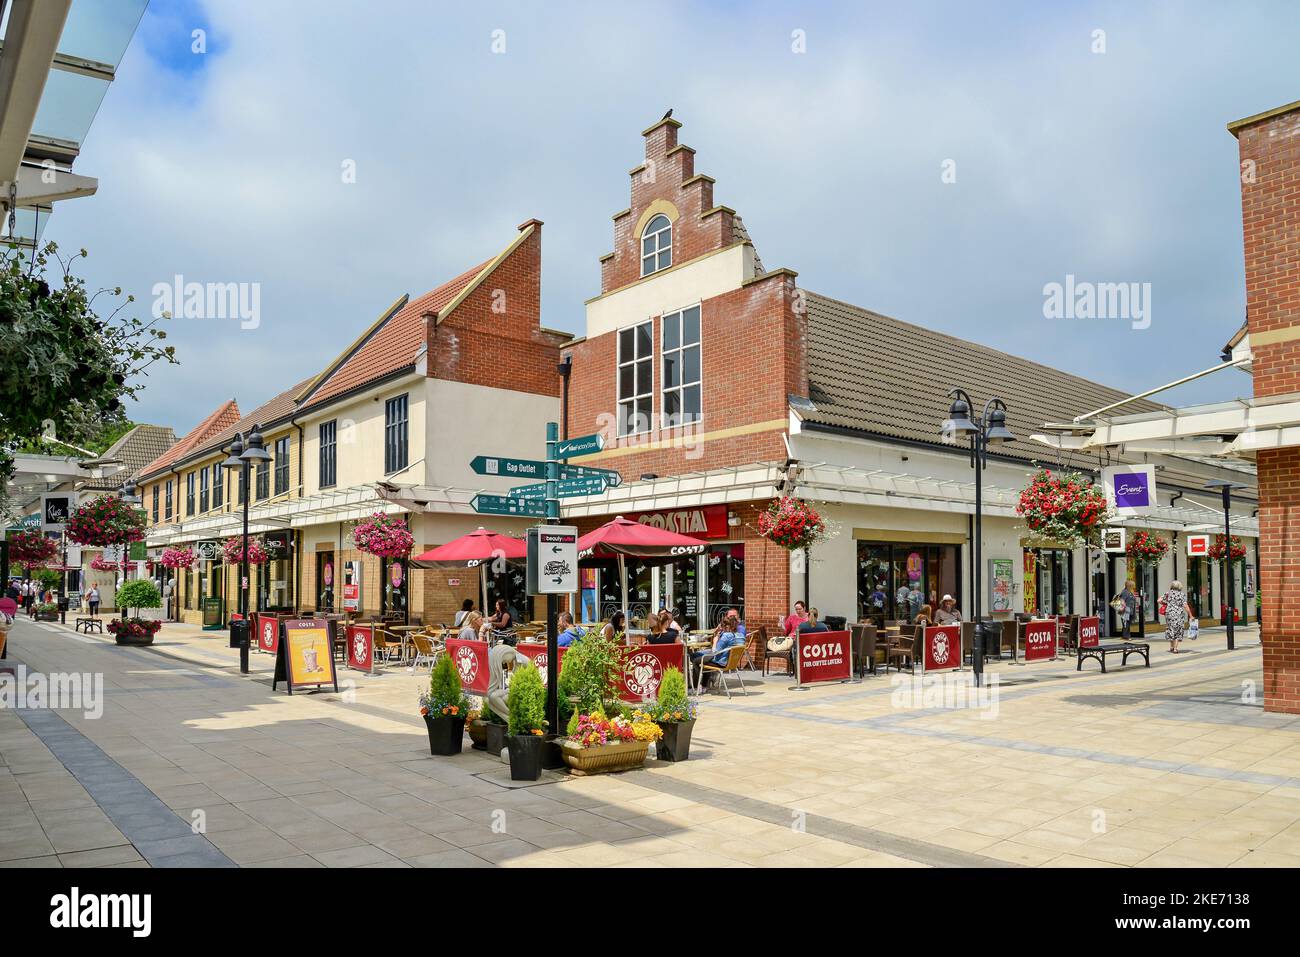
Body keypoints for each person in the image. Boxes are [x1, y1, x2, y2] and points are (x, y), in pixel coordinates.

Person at [692, 618, 745, 689]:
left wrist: (715, 641)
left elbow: (715, 652)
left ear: (724, 626)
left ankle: (696, 687)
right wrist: (716, 632)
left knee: (696, 661)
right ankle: (705, 685)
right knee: (699, 656)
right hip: (726, 661)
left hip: (720, 662)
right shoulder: (731, 634)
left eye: (720, 626)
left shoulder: (725, 636)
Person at [1161, 580, 1190, 654]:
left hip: (1169, 613)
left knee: (1171, 628)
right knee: (1177, 629)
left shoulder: (1168, 593)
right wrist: (1191, 615)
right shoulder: (1181, 594)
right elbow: (1185, 605)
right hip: (1178, 614)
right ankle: (1175, 648)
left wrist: (1167, 603)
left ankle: (1171, 647)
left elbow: (1159, 600)